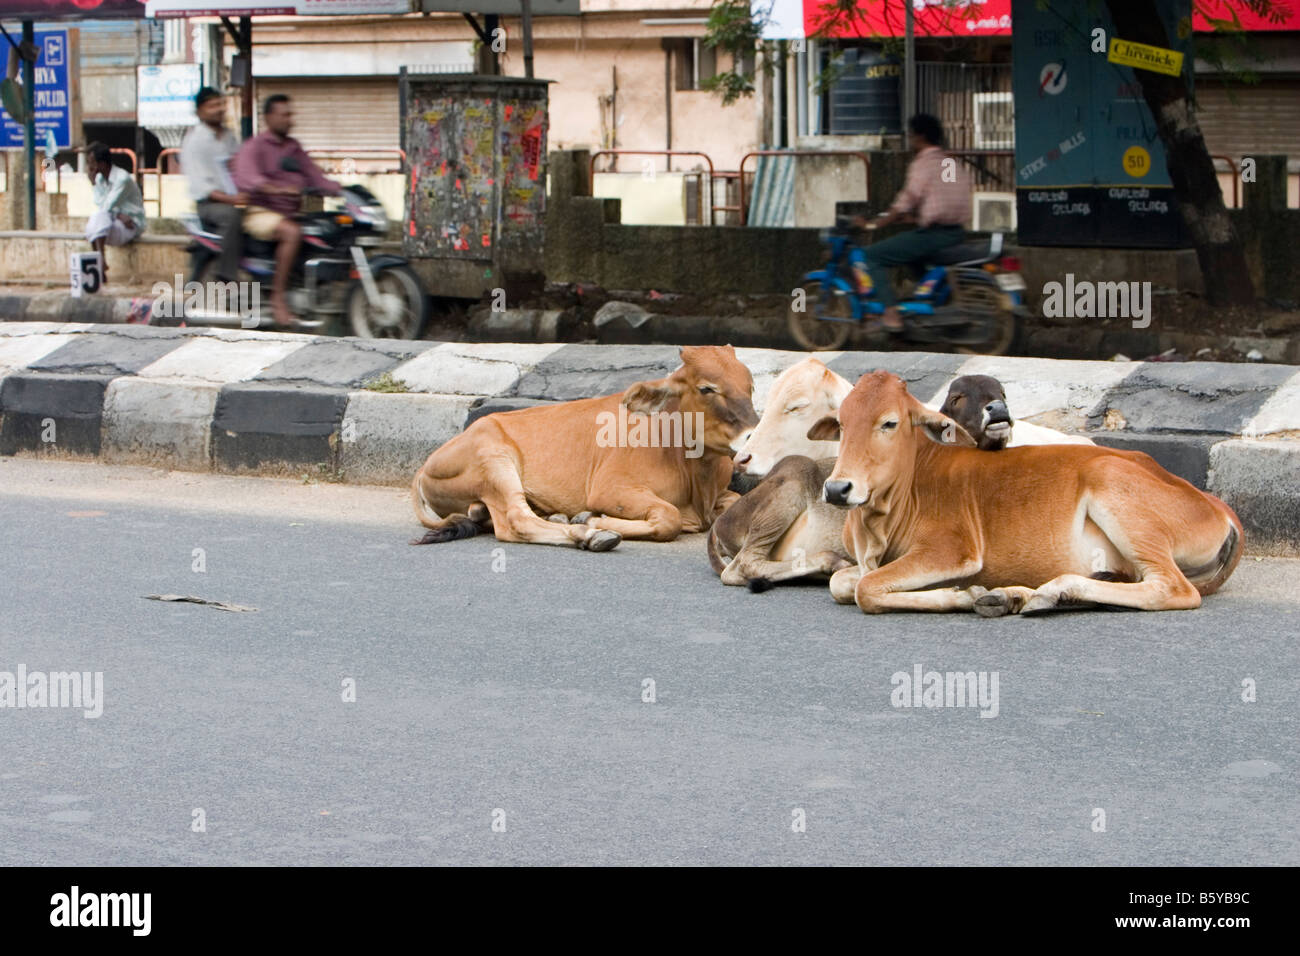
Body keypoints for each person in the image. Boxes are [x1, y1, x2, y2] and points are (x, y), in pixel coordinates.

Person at [853, 113, 972, 333]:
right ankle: (926, 304)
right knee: (909, 253)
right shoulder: (951, 163)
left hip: (934, 235)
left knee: (873, 255)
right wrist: (916, 219)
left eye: (911, 135)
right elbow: (948, 201)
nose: (910, 141)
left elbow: (908, 198)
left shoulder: (924, 163)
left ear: (920, 136)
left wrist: (876, 224)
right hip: (956, 233)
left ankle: (891, 312)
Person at [231, 93, 341, 328]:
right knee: (292, 233)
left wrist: (343, 190)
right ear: (269, 117)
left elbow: (315, 176)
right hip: (260, 212)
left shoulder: (294, 148)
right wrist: (278, 190)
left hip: (289, 213)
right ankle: (277, 297)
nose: (289, 120)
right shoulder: (255, 146)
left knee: (327, 228)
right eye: (283, 115)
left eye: (290, 115)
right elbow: (248, 179)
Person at [180, 86, 246, 282]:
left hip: (233, 197)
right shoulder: (195, 142)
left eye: (220, 104)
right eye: (212, 106)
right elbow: (204, 189)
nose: (218, 109)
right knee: (232, 216)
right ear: (200, 111)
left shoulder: (229, 136)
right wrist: (233, 199)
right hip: (210, 205)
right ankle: (226, 275)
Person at [84, 142, 146, 282]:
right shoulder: (100, 179)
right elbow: (102, 206)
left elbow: (107, 205)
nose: (89, 168)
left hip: (131, 225)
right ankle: (100, 264)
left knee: (98, 218)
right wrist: (118, 214)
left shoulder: (121, 178)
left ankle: (99, 263)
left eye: (91, 163)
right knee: (97, 219)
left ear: (102, 164)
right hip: (112, 224)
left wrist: (115, 213)